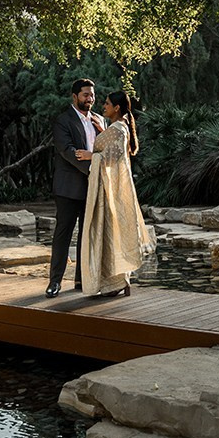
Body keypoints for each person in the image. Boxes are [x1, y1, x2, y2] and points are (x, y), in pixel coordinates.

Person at [75, 90, 153, 297]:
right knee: (110, 234)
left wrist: (91, 156)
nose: (104, 106)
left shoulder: (118, 129)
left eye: (108, 104)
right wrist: (102, 131)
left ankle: (115, 282)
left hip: (110, 191)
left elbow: (112, 158)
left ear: (117, 108)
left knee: (109, 234)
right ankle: (118, 281)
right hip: (111, 188)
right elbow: (114, 150)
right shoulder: (118, 127)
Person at [47, 78, 103, 297]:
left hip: (92, 187)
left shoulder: (98, 120)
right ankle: (55, 282)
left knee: (86, 236)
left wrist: (98, 169)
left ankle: (82, 280)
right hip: (68, 188)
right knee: (63, 235)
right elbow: (67, 151)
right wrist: (92, 168)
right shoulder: (63, 120)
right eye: (85, 95)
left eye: (92, 95)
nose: (90, 99)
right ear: (75, 96)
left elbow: (102, 149)